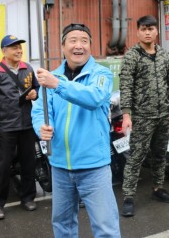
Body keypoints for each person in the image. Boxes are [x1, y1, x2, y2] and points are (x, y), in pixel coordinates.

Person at [32, 23, 121, 238]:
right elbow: (40, 111)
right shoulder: (50, 78)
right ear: (63, 47)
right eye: (72, 40)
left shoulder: (101, 74)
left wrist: (59, 85)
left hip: (94, 167)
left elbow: (95, 98)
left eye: (84, 41)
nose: (78, 45)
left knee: (105, 227)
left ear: (90, 46)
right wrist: (41, 127)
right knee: (63, 226)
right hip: (60, 166)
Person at [119, 15, 169, 217]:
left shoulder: (162, 53)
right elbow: (125, 86)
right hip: (143, 116)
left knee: (160, 154)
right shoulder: (132, 56)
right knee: (136, 156)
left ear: (156, 31)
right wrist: (127, 115)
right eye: (143, 29)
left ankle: (158, 188)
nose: (147, 32)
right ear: (138, 31)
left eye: (151, 28)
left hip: (163, 115)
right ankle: (128, 196)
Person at [0, 34, 39, 220]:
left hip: (26, 125)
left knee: (29, 163)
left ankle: (28, 197)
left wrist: (34, 94)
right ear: (4, 51)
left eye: (20, 47)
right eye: (14, 47)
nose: (19, 50)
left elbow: (36, 89)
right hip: (4, 126)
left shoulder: (27, 68)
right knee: (2, 166)